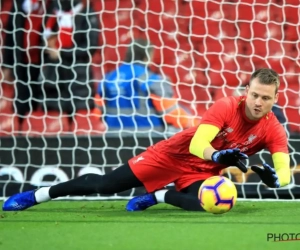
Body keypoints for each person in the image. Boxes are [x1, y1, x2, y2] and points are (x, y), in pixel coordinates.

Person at [2, 68, 290, 212]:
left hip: (201, 172)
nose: (257, 102)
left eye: (265, 98)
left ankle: (160, 195)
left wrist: (275, 180)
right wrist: (216, 156)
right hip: (171, 155)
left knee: (216, 202)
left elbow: (286, 173)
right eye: (254, 94)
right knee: (104, 185)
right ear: (247, 91)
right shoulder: (227, 106)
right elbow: (195, 144)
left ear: (275, 99)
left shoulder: (274, 129)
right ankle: (37, 195)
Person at [95, 38, 200, 136]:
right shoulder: (151, 79)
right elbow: (173, 115)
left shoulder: (108, 78)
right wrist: (197, 126)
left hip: (114, 138)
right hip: (147, 138)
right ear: (147, 56)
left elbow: (98, 112)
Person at [40, 0, 98, 115]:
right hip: (54, 78)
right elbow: (41, 39)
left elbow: (90, 47)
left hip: (78, 78)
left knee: (80, 122)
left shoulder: (87, 13)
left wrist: (61, 52)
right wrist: (49, 46)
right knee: (53, 120)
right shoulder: (52, 14)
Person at [1, 0, 52, 126]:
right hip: (22, 63)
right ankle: (20, 133)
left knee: (43, 104)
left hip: (46, 64)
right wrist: (7, 64)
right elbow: (11, 34)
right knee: (22, 102)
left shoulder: (54, 4)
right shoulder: (19, 4)